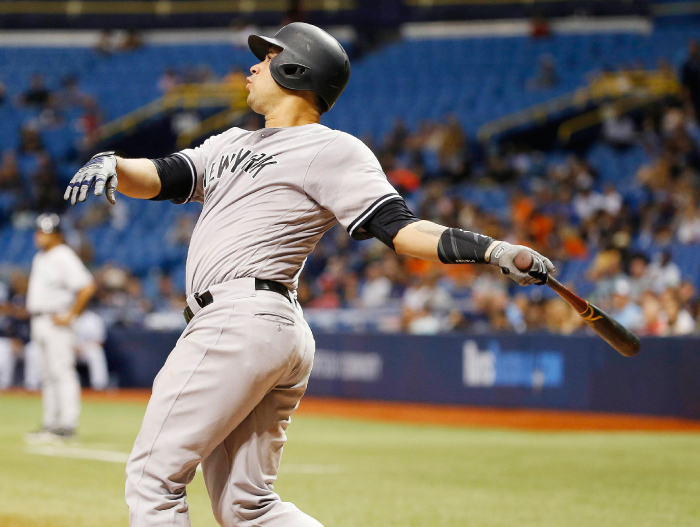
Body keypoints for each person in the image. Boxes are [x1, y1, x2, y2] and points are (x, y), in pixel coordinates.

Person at [64, 22, 554, 527]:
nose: (252, 66)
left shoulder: (331, 148)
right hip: (265, 326)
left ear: (295, 69)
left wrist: (492, 249)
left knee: (153, 477)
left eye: (267, 56)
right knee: (245, 507)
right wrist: (116, 164)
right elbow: (165, 175)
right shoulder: (229, 141)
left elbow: (400, 229)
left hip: (240, 318)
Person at [24, 214, 96, 442]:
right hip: (40, 320)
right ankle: (50, 423)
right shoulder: (41, 257)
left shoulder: (63, 255)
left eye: (46, 232)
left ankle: (66, 424)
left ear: (58, 235)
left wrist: (71, 315)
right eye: (39, 231)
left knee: (62, 372)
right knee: (46, 375)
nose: (40, 236)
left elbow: (87, 286)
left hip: (56, 321)